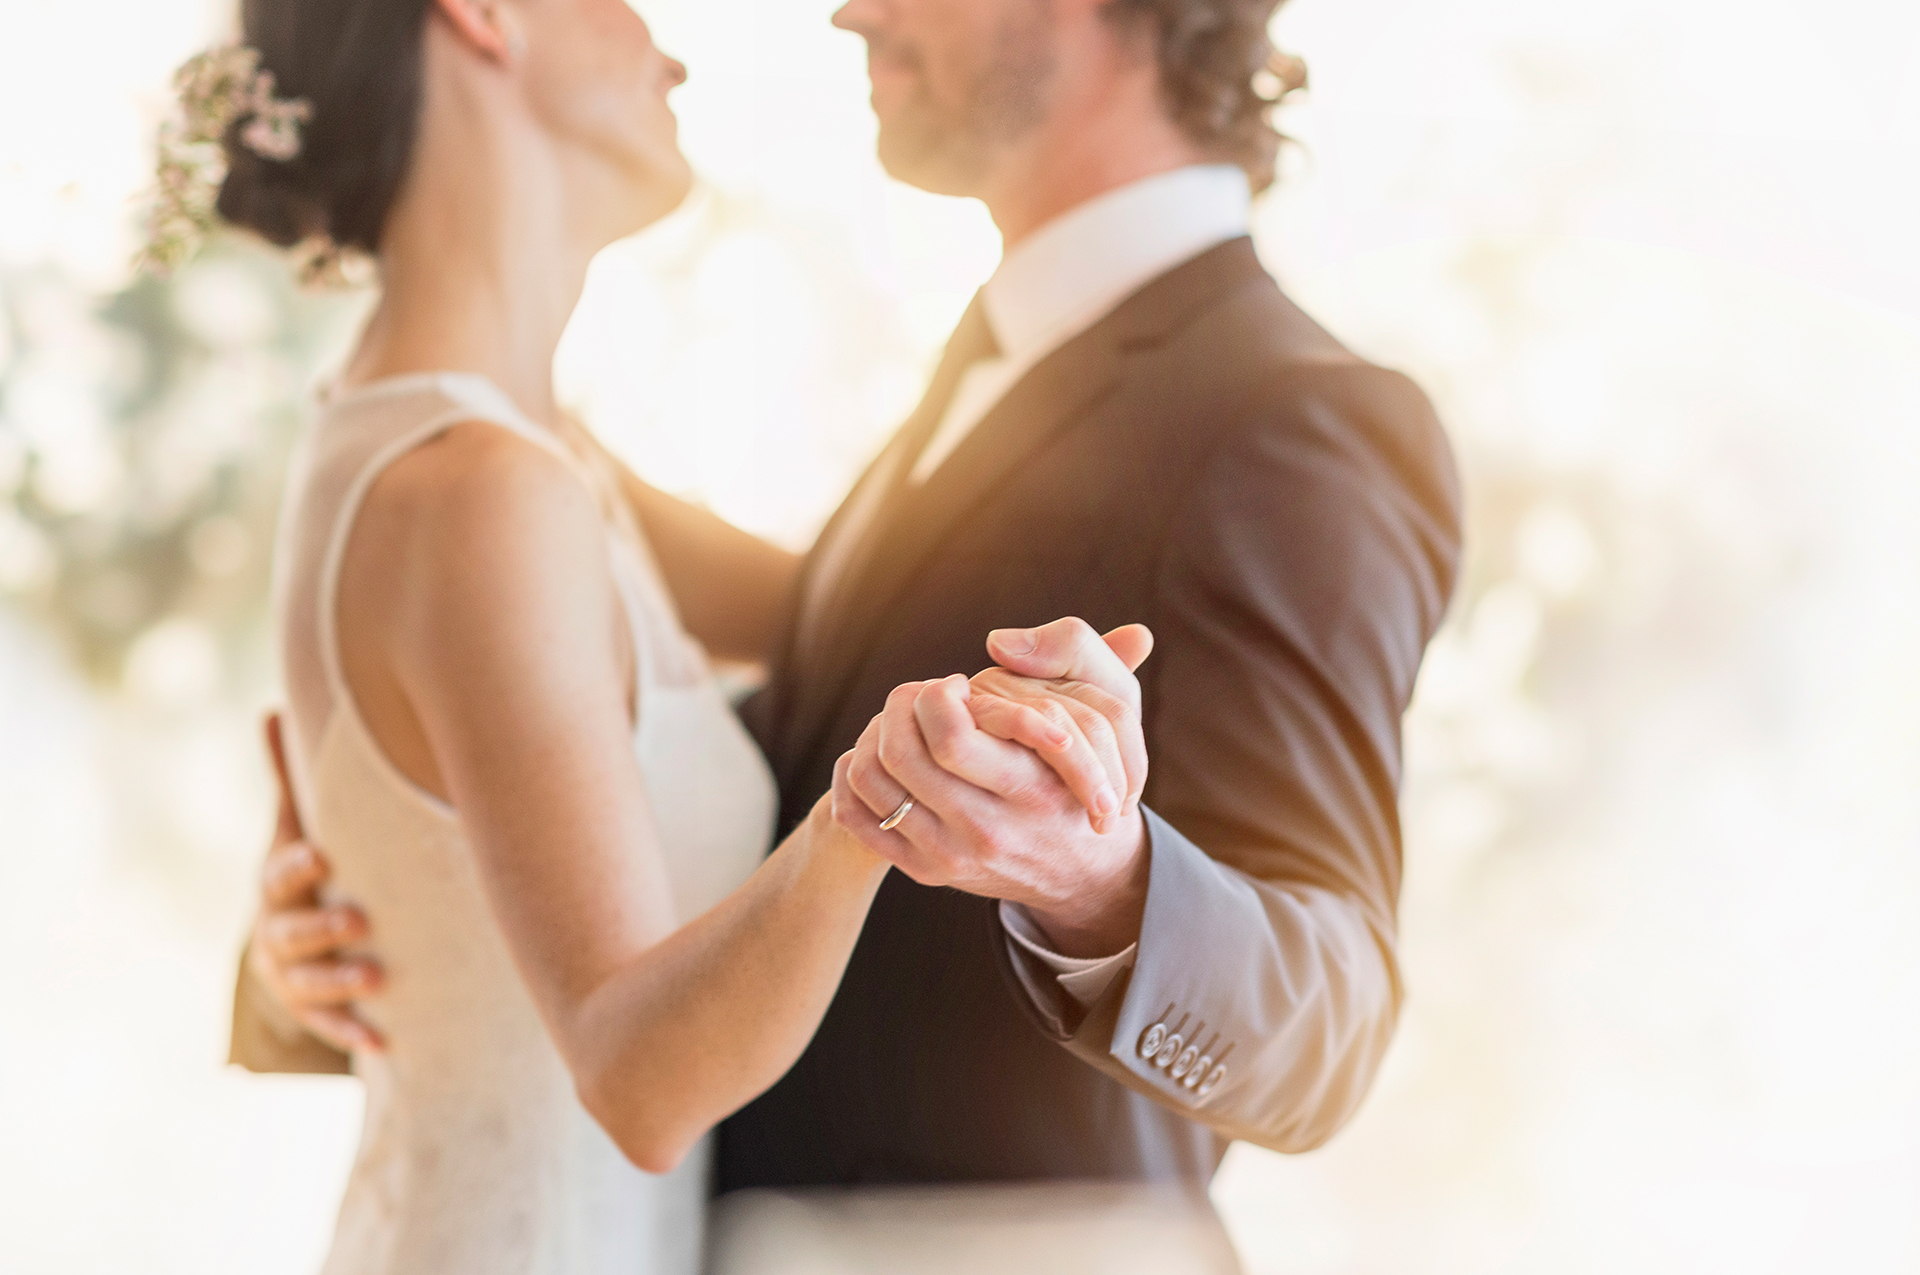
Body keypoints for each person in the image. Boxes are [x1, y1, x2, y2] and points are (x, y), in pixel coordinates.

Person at [240, 0, 1462, 1253]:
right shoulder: (948, 386)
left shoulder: (1295, 422)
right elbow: (656, 731)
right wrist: (374, 898)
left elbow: (1334, 1024)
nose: (849, 9)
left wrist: (1104, 882)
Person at [184, 0, 1145, 1272]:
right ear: (481, 18)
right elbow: (640, 1081)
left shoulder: (514, 455)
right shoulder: (480, 491)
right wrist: (867, 819)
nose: (672, 50)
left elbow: (843, 627)